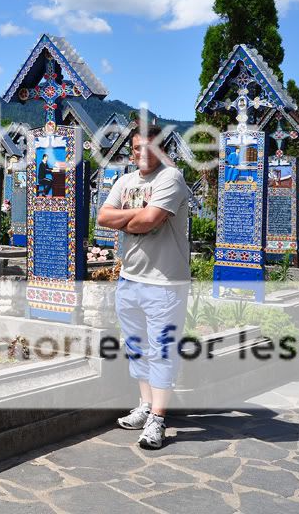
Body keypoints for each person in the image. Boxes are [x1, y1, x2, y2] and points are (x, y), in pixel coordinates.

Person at [97, 123, 191, 449]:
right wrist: (139, 214)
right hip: (130, 278)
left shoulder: (171, 178)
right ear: (131, 150)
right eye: (137, 148)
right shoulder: (125, 181)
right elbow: (103, 218)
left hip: (164, 281)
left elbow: (149, 222)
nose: (142, 154)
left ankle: (159, 420)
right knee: (137, 348)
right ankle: (145, 405)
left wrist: (129, 216)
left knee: (162, 350)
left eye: (150, 148)